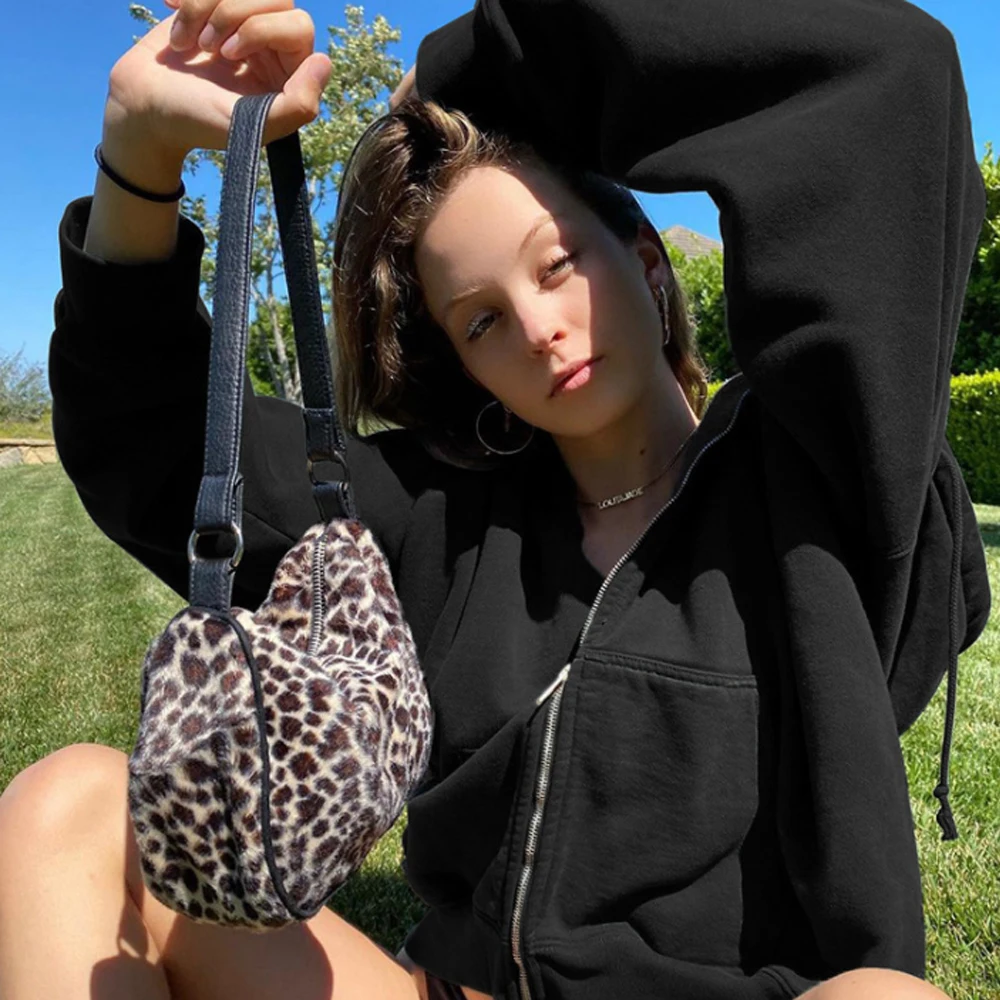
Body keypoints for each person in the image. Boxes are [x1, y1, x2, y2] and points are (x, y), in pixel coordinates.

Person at [0, 0, 990, 997]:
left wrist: (467, 66)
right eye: (480, 322)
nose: (538, 327)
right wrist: (141, 148)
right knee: (71, 806)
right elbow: (147, 440)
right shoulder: (440, 515)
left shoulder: (816, 477)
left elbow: (888, 79)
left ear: (647, 265)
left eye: (558, 264)